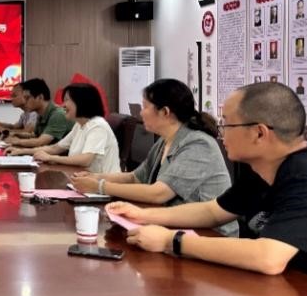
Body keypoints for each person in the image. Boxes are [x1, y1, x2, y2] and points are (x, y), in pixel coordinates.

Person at [107, 82, 307, 275]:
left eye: (226, 124)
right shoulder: (262, 169)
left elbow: (269, 258)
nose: (221, 132)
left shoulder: (300, 173)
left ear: (259, 133)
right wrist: (142, 215)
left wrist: (170, 240)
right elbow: (213, 211)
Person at [70, 79, 233, 228]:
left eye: (145, 107)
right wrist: (95, 177)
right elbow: (135, 177)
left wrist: (100, 186)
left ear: (165, 112)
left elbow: (159, 193)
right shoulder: (164, 141)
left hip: (209, 233)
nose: (141, 113)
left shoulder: (198, 144)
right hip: (173, 224)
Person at [13, 83, 121, 173]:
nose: (63, 105)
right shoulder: (79, 125)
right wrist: (21, 151)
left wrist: (51, 158)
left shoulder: (98, 126)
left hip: (101, 186)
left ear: (81, 102)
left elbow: (85, 160)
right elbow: (55, 148)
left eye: (66, 100)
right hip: (82, 180)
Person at [4, 78, 74, 153]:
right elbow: (36, 135)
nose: (24, 101)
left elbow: (41, 142)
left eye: (27, 98)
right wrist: (17, 134)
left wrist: (17, 142)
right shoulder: (41, 114)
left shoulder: (58, 115)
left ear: (40, 97)